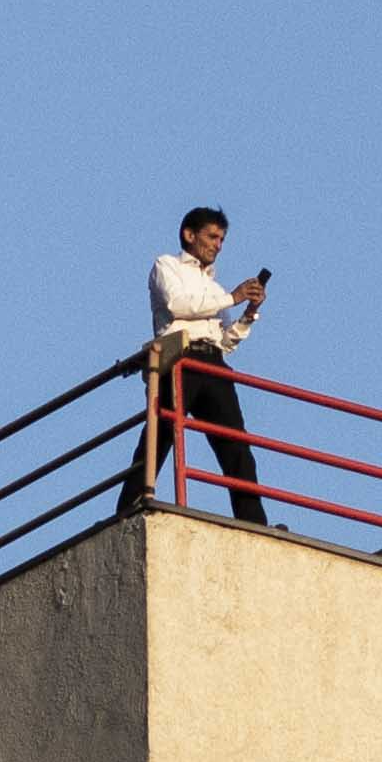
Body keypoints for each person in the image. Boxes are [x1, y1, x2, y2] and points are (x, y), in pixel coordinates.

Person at [122, 204, 272, 525]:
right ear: (189, 235)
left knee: (237, 448)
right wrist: (232, 298)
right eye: (212, 236)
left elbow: (225, 341)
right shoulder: (166, 266)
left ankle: (256, 524)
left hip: (212, 363)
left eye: (222, 240)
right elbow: (179, 305)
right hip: (179, 358)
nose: (217, 245)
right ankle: (129, 506)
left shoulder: (214, 288)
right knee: (162, 432)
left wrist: (248, 314)